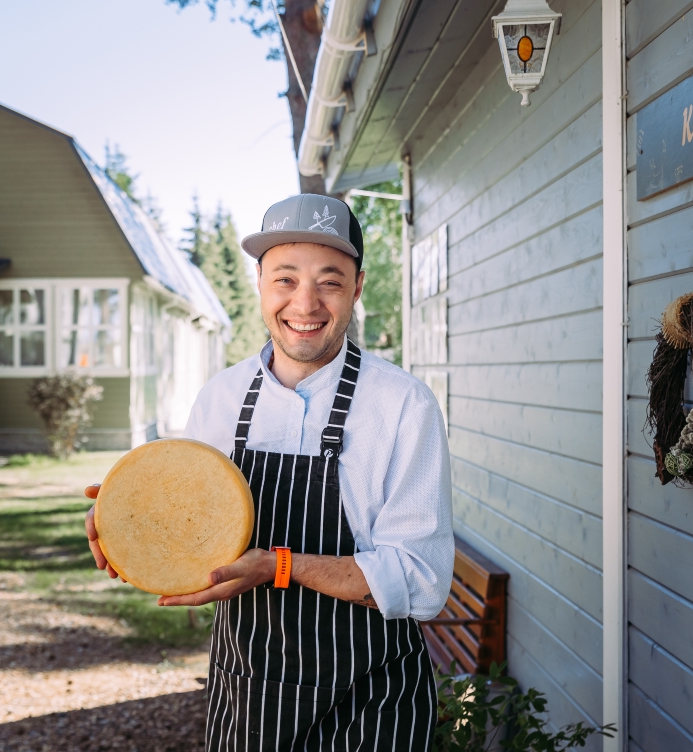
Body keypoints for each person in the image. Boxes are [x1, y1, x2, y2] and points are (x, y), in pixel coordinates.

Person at [85, 194, 453, 750]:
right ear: (260, 282)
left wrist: (279, 566)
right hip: (249, 696)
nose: (305, 303)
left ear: (356, 289)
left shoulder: (403, 406)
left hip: (370, 702)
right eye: (285, 279)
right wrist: (123, 516)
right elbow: (183, 528)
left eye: (330, 281)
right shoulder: (222, 399)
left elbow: (422, 582)